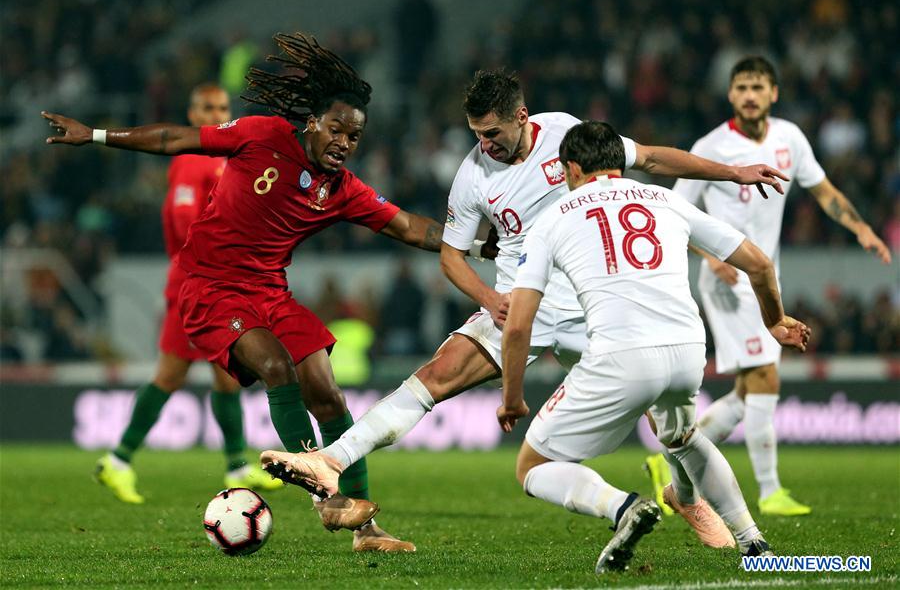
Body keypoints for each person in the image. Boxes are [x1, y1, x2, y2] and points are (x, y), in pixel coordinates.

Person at [257, 69, 788, 545]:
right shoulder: (472, 176)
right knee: (436, 377)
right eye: (475, 135)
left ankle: (687, 497)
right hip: (521, 301)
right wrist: (489, 298)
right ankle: (332, 460)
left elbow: (649, 156)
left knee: (671, 423)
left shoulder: (566, 134)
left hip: (593, 298)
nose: (484, 145)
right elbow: (452, 257)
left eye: (492, 133)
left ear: (522, 117)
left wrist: (732, 173)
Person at [43, 32, 494, 552]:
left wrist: (485, 247)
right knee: (276, 367)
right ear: (312, 123)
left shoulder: (340, 189)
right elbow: (174, 140)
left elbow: (412, 228)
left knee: (327, 392)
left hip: (269, 293)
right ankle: (322, 495)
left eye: (355, 137)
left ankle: (366, 531)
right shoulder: (261, 136)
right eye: (337, 130)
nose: (345, 143)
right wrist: (96, 135)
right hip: (210, 288)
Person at [497, 121, 810, 572]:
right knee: (682, 437)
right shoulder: (666, 199)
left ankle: (622, 507)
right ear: (620, 161)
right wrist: (775, 321)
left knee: (531, 466)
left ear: (571, 167)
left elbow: (518, 325)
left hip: (619, 354)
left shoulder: (552, 219)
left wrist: (512, 398)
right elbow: (759, 264)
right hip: (687, 350)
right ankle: (754, 543)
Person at [645, 56, 892, 517]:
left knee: (745, 397)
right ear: (730, 95)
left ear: (774, 93)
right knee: (765, 378)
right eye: (741, 87)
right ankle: (770, 490)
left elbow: (824, 192)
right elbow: (671, 213)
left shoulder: (790, 138)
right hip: (726, 279)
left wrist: (861, 229)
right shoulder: (711, 145)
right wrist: (708, 255)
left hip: (764, 280)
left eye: (758, 86)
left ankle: (670, 463)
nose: (750, 94)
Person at [94, 83, 281, 504]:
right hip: (194, 286)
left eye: (221, 107)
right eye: (206, 108)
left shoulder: (223, 156)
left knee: (226, 375)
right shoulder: (192, 158)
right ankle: (118, 460)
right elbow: (181, 222)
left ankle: (236, 464)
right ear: (192, 113)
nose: (215, 114)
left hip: (216, 285)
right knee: (171, 375)